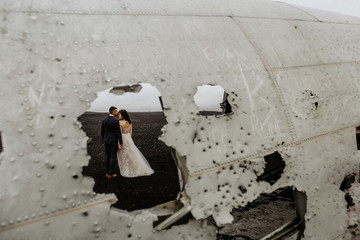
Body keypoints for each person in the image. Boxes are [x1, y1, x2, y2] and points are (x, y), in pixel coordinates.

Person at [117, 109, 154, 177]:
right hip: (128, 138)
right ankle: (136, 166)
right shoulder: (129, 122)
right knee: (132, 153)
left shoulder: (120, 123)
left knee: (124, 154)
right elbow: (130, 133)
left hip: (123, 138)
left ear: (123, 115)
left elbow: (119, 133)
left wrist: (119, 143)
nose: (118, 115)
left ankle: (127, 168)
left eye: (119, 114)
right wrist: (129, 139)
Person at [101, 106, 123, 179]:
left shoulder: (104, 120)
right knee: (113, 157)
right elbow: (118, 133)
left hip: (106, 141)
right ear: (113, 112)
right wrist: (121, 142)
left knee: (107, 156)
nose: (117, 112)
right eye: (116, 111)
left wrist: (103, 140)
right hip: (113, 141)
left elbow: (102, 131)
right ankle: (111, 174)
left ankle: (107, 173)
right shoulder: (115, 121)